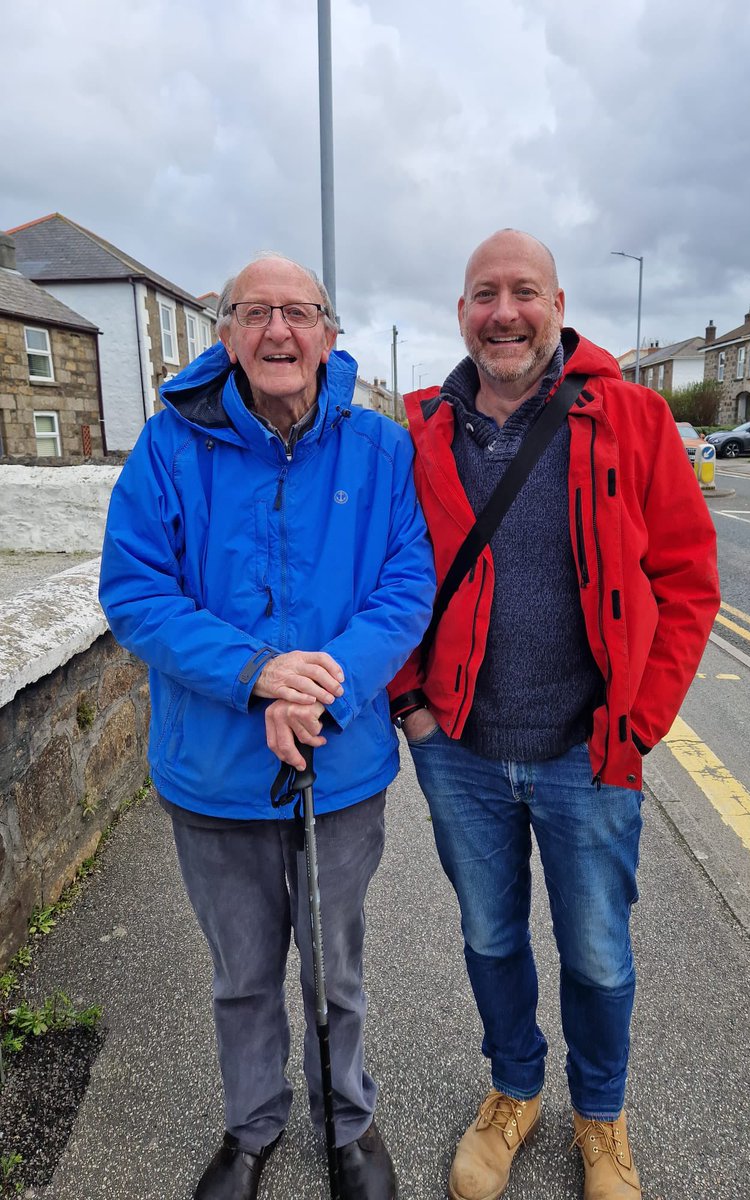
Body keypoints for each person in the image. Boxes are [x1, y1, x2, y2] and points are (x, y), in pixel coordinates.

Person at [389, 229, 719, 1200]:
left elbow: (688, 581)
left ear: (558, 305)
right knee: (490, 936)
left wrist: (640, 721)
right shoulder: (423, 436)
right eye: (484, 293)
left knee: (598, 951)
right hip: (459, 750)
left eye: (523, 291)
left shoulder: (635, 419)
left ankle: (602, 1119)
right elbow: (393, 577)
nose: (504, 310)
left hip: (590, 752)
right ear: (462, 314)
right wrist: (409, 703)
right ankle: (514, 1089)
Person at [99, 253, 435, 1200]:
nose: (278, 331)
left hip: (341, 764)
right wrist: (256, 676)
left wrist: (321, 690)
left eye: (298, 312)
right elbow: (134, 592)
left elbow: (406, 584)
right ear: (227, 334)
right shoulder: (169, 447)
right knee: (242, 975)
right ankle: (252, 1128)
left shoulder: (379, 449)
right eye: (255, 313)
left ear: (330, 332)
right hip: (214, 773)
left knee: (337, 974)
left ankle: (349, 1124)